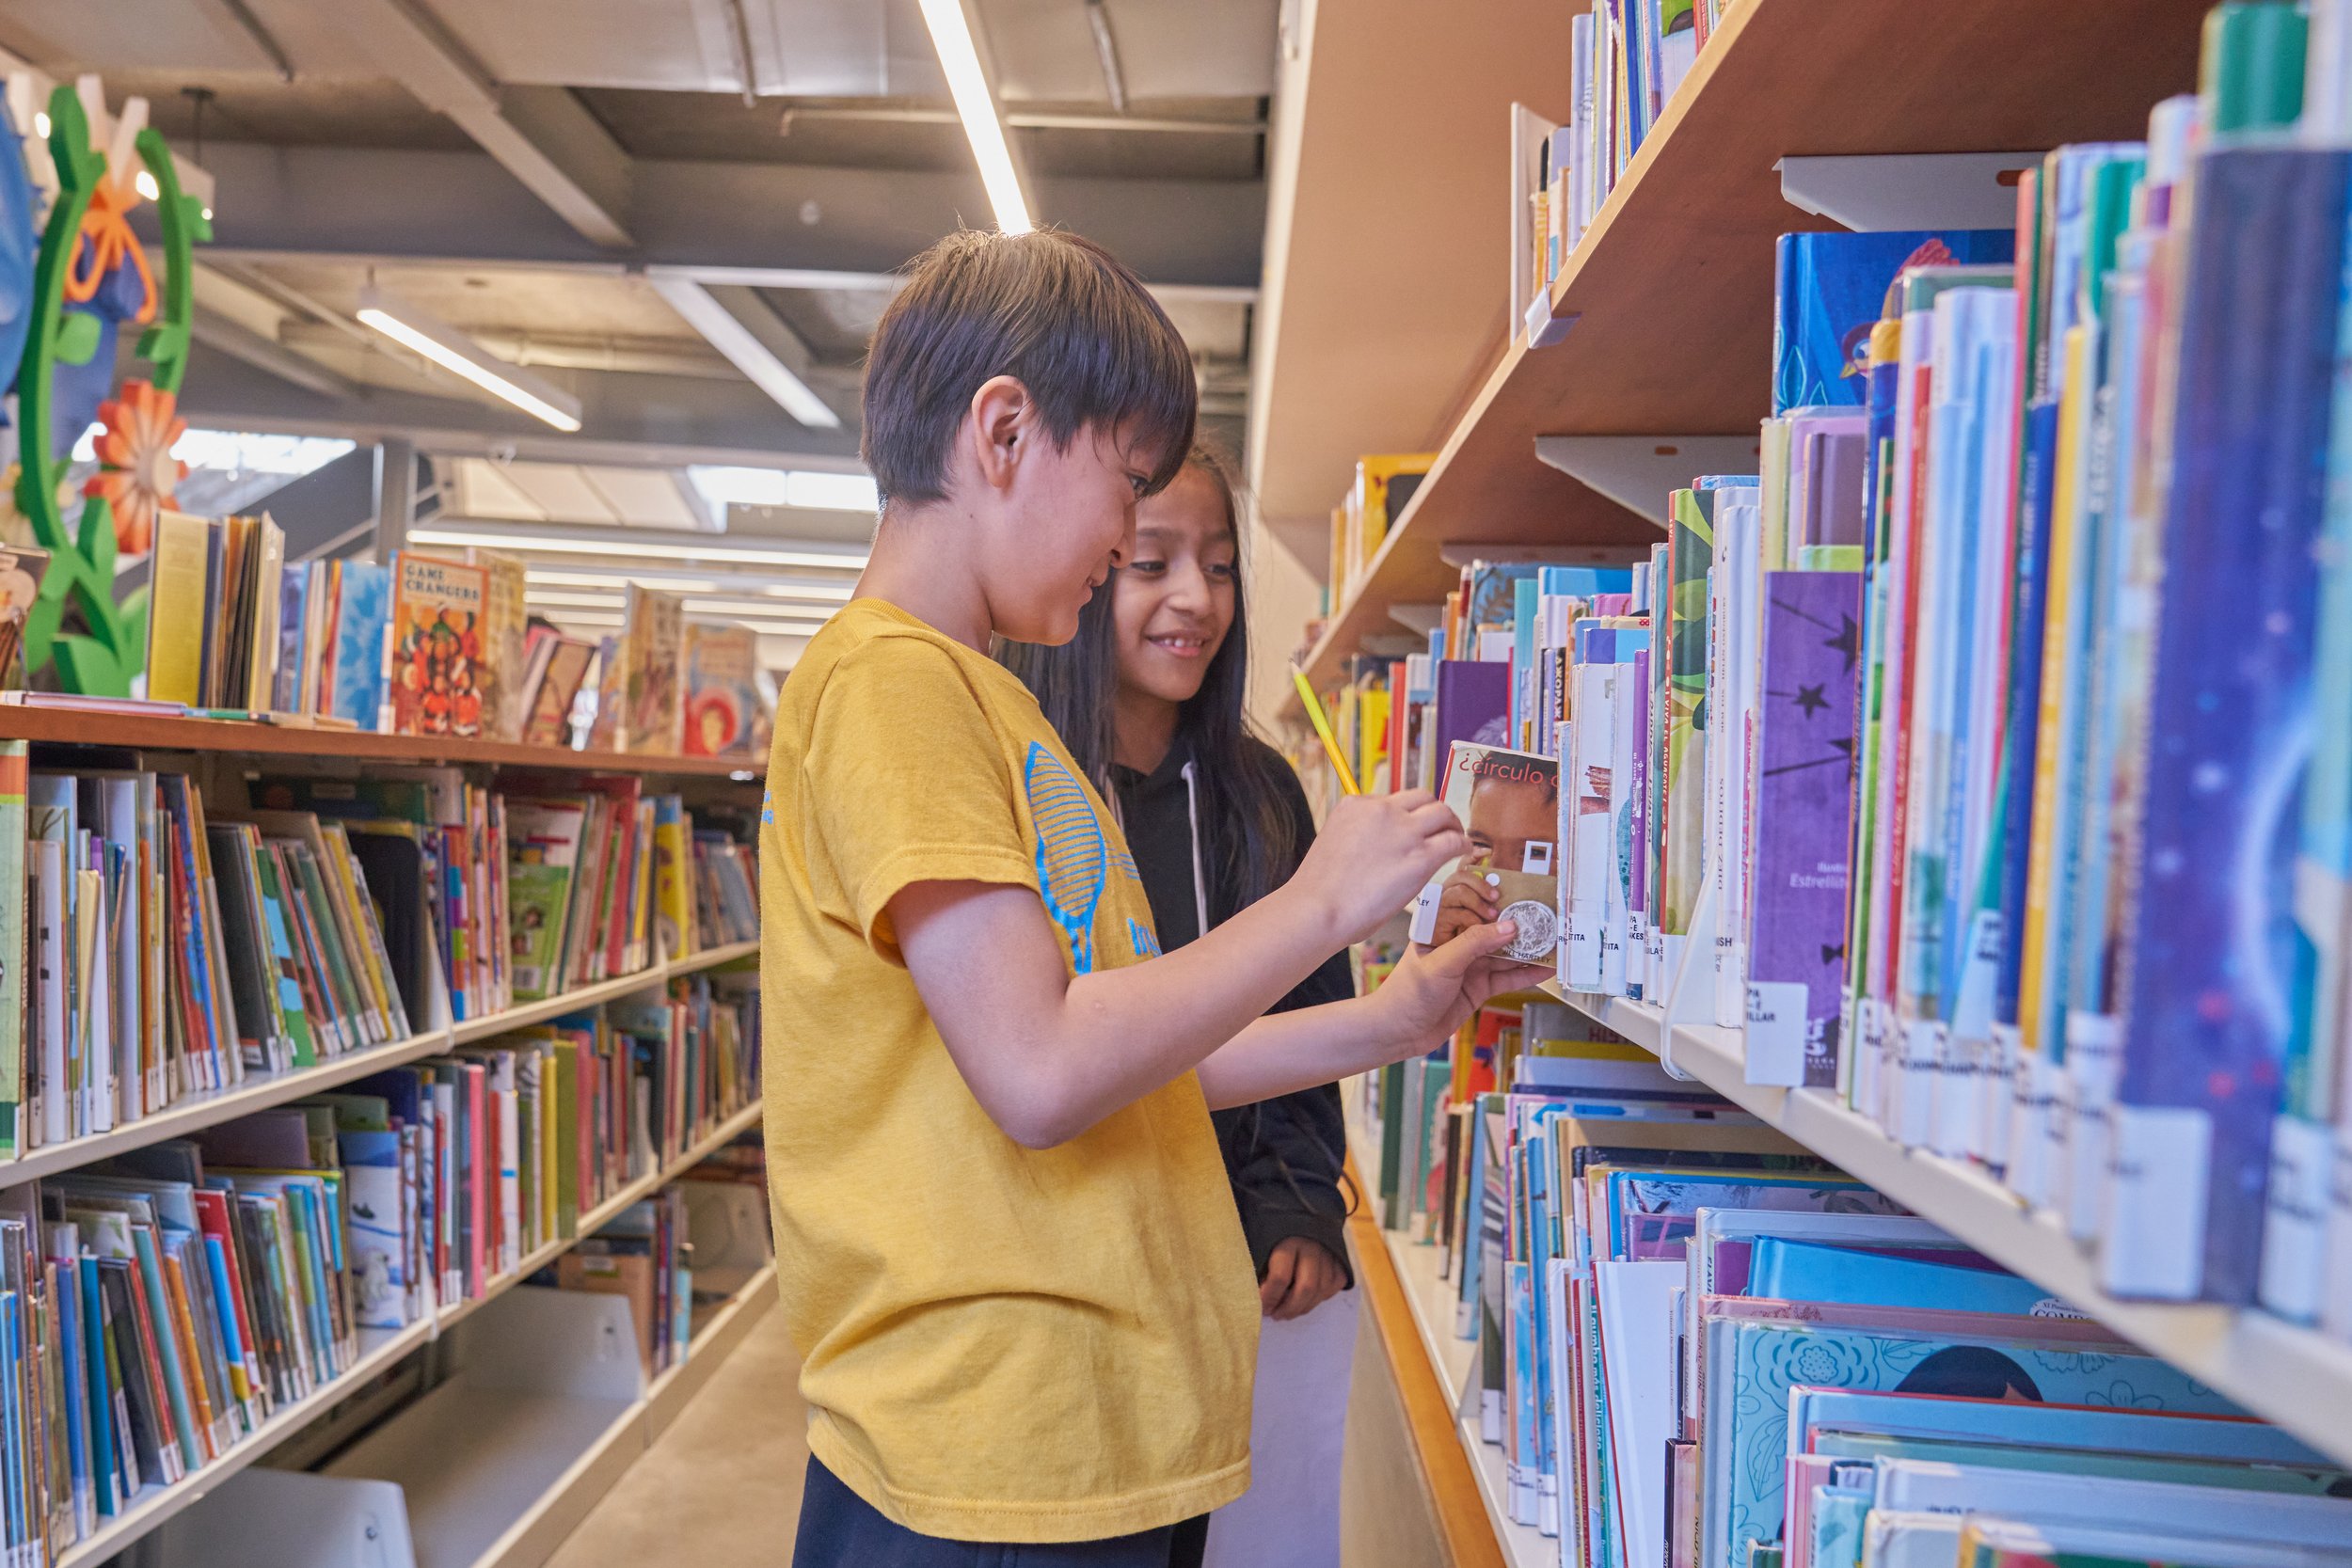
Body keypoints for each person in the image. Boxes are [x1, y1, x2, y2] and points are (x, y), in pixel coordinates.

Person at [761, 227, 1543, 1568]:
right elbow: (1043, 1067)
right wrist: (1314, 904)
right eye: (1126, 484)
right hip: (994, 1465)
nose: (1130, 534)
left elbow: (1131, 1051)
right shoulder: (894, 686)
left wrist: (1393, 1018)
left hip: (1072, 1450)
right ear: (1002, 432)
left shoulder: (979, 696)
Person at [1000, 445, 1356, 1564]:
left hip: (1219, 1280)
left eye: (1220, 565)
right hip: (1058, 1272)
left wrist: (1300, 1204)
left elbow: (1310, 1017)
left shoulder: (1260, 794)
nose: (1195, 599)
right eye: (1152, 562)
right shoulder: (1017, 780)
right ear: (1090, 565)